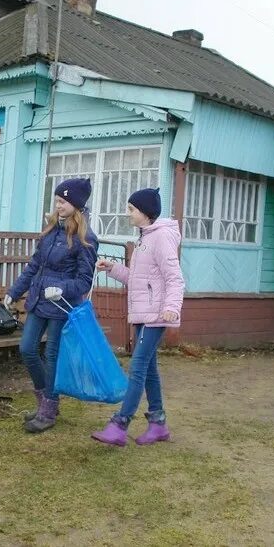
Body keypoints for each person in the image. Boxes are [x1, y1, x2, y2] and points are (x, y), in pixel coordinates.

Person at [92, 188, 184, 446]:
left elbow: (174, 278)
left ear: (144, 212)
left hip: (157, 314)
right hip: (144, 313)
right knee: (150, 369)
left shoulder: (162, 237)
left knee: (138, 367)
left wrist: (171, 308)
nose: (127, 213)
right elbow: (139, 279)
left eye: (131, 209)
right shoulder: (146, 238)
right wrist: (113, 269)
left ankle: (119, 425)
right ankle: (158, 424)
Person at [6, 178, 98, 434]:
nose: (58, 205)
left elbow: (84, 281)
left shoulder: (85, 239)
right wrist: (15, 291)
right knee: (27, 349)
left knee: (53, 356)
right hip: (38, 300)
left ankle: (48, 409)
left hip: (61, 305)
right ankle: (46, 400)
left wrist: (62, 289)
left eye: (63, 201)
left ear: (76, 204)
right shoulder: (50, 231)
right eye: (57, 200)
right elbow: (34, 266)